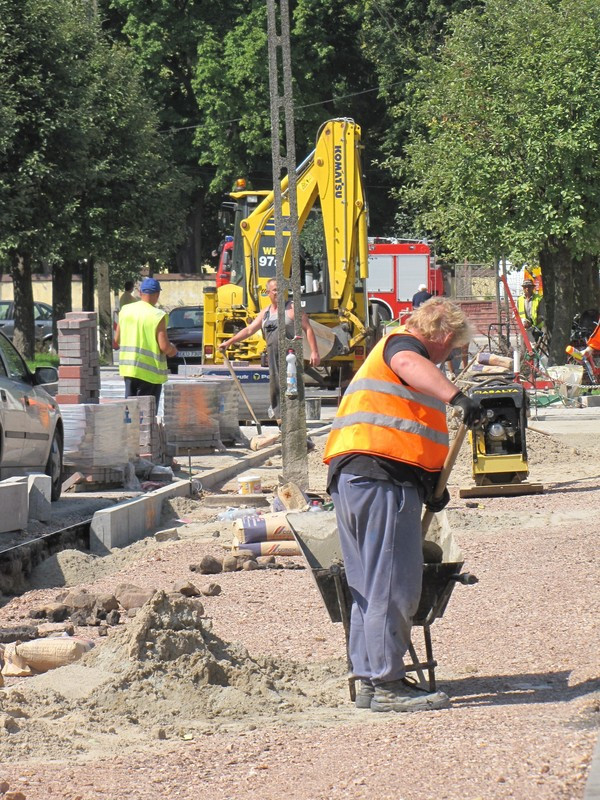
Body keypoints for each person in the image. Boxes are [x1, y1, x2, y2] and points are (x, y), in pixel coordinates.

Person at [323, 297, 485, 713]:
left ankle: (369, 679)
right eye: (451, 349)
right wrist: (457, 396)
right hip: (381, 479)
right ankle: (388, 683)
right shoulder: (403, 347)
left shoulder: (394, 355)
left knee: (367, 587)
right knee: (393, 583)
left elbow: (404, 425)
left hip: (358, 477)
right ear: (444, 336)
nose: (449, 358)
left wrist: (430, 483)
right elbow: (412, 368)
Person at [218, 278, 321, 420]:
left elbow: (308, 329)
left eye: (281, 290)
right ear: (268, 293)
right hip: (273, 357)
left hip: (290, 357)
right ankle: (281, 423)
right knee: (276, 389)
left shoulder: (292, 309)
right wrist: (229, 342)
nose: (278, 293)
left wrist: (315, 352)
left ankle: (297, 425)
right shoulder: (265, 313)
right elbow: (249, 330)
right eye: (275, 290)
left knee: (293, 388)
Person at [113, 277, 177, 404]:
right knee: (147, 414)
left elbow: (116, 340)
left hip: (129, 371)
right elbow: (164, 346)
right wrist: (173, 350)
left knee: (131, 411)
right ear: (157, 294)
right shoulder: (158, 315)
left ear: (141, 293)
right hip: (150, 374)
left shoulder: (125, 310)